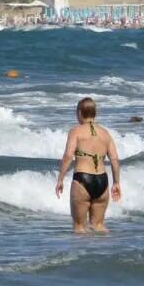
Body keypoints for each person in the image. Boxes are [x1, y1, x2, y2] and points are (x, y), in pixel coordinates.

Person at [55, 97, 122, 234]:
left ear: (79, 112)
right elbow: (114, 159)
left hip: (82, 180)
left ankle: (83, 255)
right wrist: (116, 183)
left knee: (79, 229)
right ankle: (105, 254)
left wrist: (60, 179)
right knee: (99, 227)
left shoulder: (75, 131)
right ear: (94, 113)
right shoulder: (105, 133)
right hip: (102, 181)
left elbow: (68, 156)